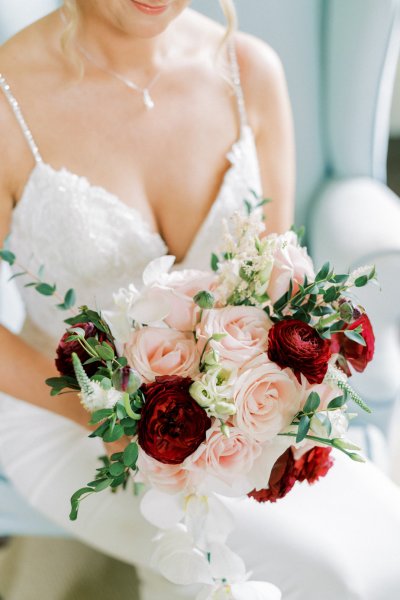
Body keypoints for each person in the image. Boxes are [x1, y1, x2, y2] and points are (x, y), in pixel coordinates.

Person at [0, 2, 400, 599]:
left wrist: (268, 397)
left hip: (238, 415)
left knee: (384, 546)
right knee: (314, 571)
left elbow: (274, 279)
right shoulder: (9, 101)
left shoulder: (250, 71)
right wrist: (106, 417)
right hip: (63, 413)